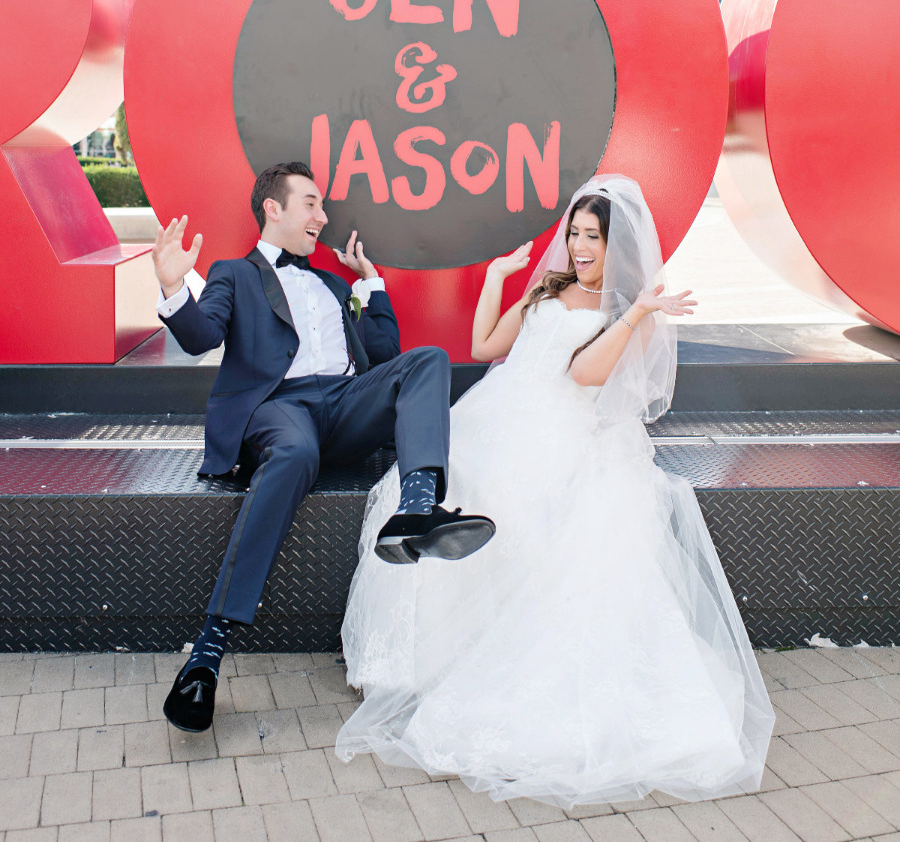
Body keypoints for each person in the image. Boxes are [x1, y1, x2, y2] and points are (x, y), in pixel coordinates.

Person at [336, 174, 774, 807]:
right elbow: (488, 346)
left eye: (591, 237)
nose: (579, 247)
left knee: (503, 506)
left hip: (561, 430)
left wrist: (638, 315)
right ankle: (407, 661)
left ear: (615, 245)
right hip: (497, 413)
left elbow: (584, 374)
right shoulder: (550, 287)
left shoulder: (630, 312)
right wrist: (496, 277)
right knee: (424, 486)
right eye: (573, 234)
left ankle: (448, 663)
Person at [153, 161, 494, 733]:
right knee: (293, 455)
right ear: (274, 208)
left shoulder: (335, 286)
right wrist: (171, 286)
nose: (323, 216)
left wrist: (369, 284)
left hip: (342, 404)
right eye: (311, 203)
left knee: (428, 360)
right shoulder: (234, 273)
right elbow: (201, 337)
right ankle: (207, 656)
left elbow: (386, 358)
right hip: (280, 409)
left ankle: (414, 511)